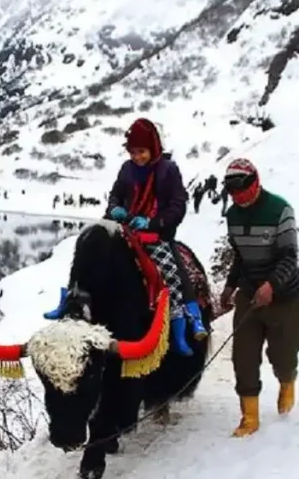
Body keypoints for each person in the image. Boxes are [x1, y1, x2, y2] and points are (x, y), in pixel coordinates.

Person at [42, 118, 208, 356]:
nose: (137, 157)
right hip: (126, 228)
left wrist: (154, 222)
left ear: (153, 147)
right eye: (132, 152)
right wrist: (114, 210)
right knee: (89, 249)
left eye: (141, 151)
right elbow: (115, 197)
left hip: (156, 234)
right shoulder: (126, 169)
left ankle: (184, 322)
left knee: (170, 271)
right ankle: (73, 300)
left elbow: (177, 205)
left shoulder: (168, 170)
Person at [218, 158, 299, 438]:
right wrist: (231, 286)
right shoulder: (232, 215)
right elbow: (240, 258)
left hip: (284, 296)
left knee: (282, 355)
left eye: (241, 190)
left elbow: (289, 259)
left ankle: (287, 379)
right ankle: (250, 417)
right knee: (243, 357)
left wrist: (271, 286)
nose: (237, 197)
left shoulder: (280, 210)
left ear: (254, 183)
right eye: (232, 193)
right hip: (249, 295)